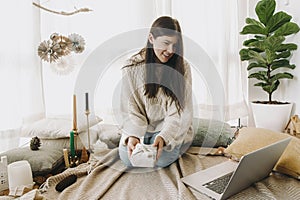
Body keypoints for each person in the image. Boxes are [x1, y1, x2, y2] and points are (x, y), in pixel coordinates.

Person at [118, 16, 193, 168]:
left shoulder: (182, 67)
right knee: (128, 158)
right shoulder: (130, 67)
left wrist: (164, 137)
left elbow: (179, 112)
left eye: (175, 45)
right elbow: (129, 109)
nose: (171, 50)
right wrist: (133, 136)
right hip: (141, 128)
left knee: (162, 159)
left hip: (170, 127)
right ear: (151, 38)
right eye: (166, 43)